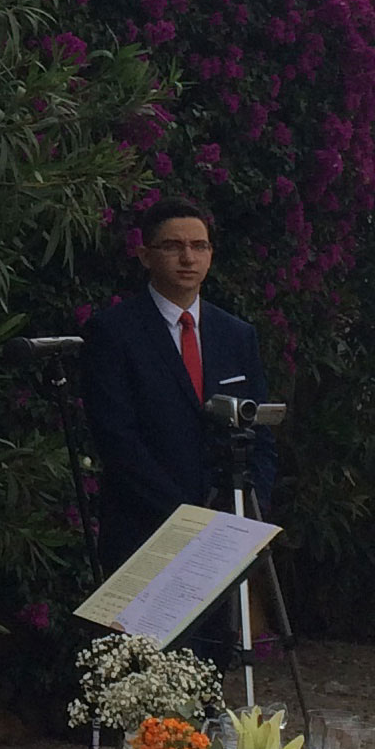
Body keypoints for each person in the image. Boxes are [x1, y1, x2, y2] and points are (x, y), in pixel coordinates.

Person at [80, 197, 277, 638]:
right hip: (146, 532)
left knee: (212, 665)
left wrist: (247, 511)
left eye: (199, 246)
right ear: (145, 254)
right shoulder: (114, 332)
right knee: (146, 673)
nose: (188, 257)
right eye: (173, 246)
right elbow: (117, 437)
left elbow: (259, 431)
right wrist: (185, 515)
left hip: (223, 538)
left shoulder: (236, 335)